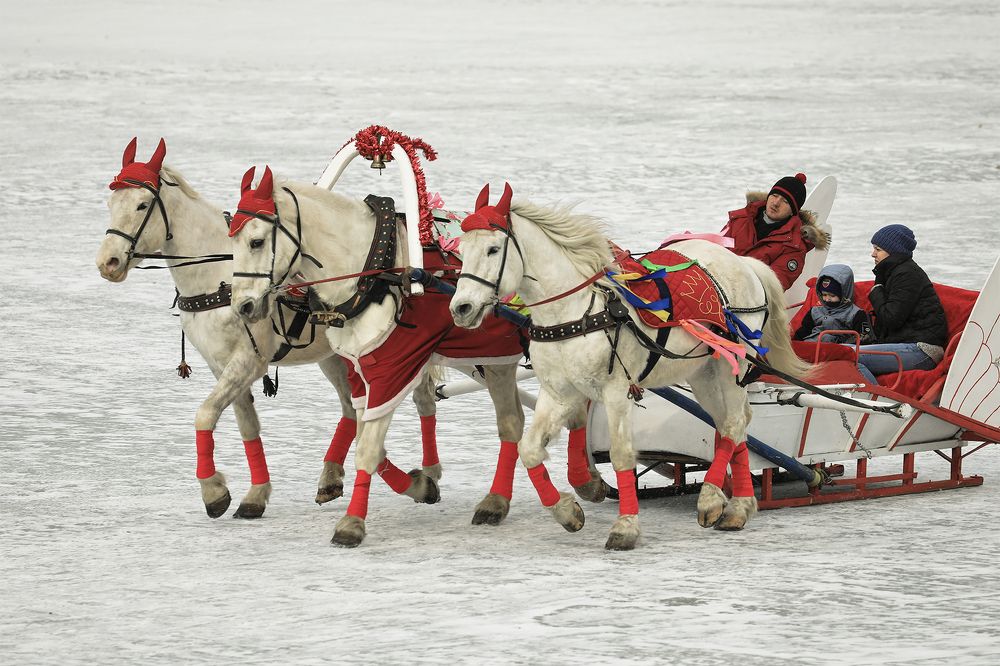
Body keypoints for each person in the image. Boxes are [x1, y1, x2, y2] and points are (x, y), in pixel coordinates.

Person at [855, 224, 948, 385]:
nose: (873, 254)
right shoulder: (892, 273)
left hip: (922, 349)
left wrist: (876, 291)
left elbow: (891, 318)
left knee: (850, 356)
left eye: (878, 249)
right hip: (906, 343)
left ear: (892, 252)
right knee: (840, 350)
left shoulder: (907, 275)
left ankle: (875, 402)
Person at [722, 173, 830, 291]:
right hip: (719, 285)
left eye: (785, 201)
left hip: (748, 300)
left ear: (792, 212)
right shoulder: (740, 219)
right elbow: (717, 249)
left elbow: (773, 285)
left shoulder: (795, 245)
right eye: (774, 195)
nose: (776, 203)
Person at [793, 264, 871, 343]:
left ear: (844, 294)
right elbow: (803, 332)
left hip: (837, 349)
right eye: (824, 295)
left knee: (826, 338)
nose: (827, 299)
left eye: (832, 295)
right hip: (811, 346)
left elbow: (863, 338)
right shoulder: (815, 311)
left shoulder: (856, 314)